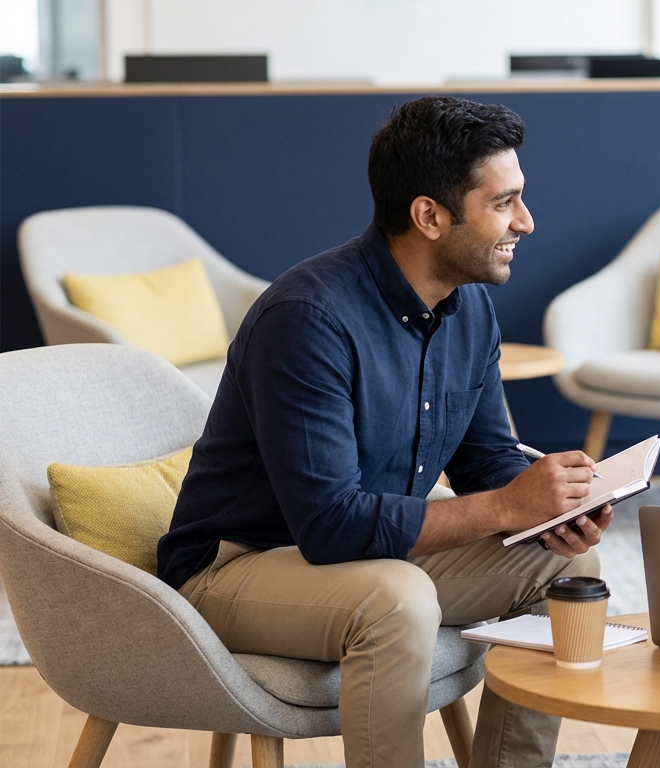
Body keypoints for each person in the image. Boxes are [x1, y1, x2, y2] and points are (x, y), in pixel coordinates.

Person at [157, 96, 613, 768]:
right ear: (429, 215)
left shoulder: (471, 310)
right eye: (504, 202)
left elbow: (487, 460)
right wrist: (505, 507)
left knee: (569, 563)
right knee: (397, 601)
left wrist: (550, 512)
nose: (526, 221)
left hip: (362, 557)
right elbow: (330, 526)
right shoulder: (307, 318)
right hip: (236, 566)